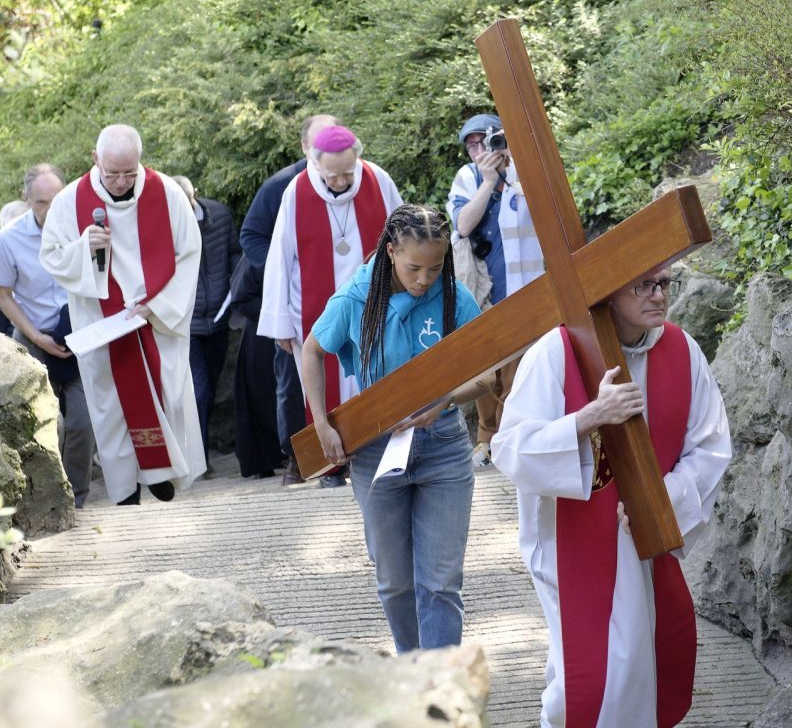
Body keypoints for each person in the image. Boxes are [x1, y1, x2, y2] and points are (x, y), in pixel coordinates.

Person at [491, 267, 732, 728]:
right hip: (573, 542)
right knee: (589, 675)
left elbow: (711, 444)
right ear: (608, 291)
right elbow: (510, 448)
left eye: (665, 284)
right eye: (644, 285)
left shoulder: (683, 350)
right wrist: (590, 417)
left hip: (644, 535)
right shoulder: (555, 352)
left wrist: (662, 501)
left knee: (645, 662)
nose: (659, 296)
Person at [304, 204, 484, 652]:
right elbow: (311, 351)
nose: (424, 279)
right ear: (390, 252)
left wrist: (445, 399)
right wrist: (322, 423)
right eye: (413, 268)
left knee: (441, 581)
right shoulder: (355, 299)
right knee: (394, 580)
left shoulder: (455, 298)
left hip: (443, 445)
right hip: (375, 450)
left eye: (435, 267)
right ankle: (411, 670)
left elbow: (487, 375)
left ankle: (442, 687)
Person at [39, 124, 206, 505]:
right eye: (111, 172)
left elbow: (189, 253)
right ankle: (126, 489)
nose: (119, 181)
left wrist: (156, 305)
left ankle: (162, 473)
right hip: (101, 321)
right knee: (112, 407)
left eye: (129, 172)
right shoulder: (68, 201)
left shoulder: (167, 193)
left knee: (169, 396)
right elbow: (50, 256)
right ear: (95, 159)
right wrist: (85, 247)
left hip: (156, 317)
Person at [258, 124, 402, 488]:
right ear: (316, 164)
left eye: (347, 173)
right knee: (323, 387)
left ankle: (378, 454)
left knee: (373, 378)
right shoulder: (296, 191)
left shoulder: (378, 180)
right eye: (333, 175)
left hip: (373, 306)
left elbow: (402, 236)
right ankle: (333, 465)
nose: (341, 182)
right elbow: (279, 258)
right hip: (314, 311)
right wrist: (280, 325)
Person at [235, 114, 339, 483]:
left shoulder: (362, 179)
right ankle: (300, 457)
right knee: (293, 384)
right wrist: (285, 274)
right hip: (300, 300)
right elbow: (252, 237)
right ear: (304, 148)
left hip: (346, 298)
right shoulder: (283, 186)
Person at [0, 164, 97, 507]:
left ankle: (78, 497)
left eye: (56, 199)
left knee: (83, 421)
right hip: (33, 336)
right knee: (50, 424)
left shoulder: (86, 229)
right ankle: (49, 497)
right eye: (40, 202)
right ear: (26, 199)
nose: (49, 209)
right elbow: (1, 292)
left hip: (81, 333)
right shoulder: (10, 239)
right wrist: (34, 335)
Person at [448, 113, 544, 468]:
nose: (480, 150)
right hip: (486, 288)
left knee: (520, 368)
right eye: (471, 145)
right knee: (489, 372)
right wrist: (488, 181)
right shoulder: (468, 177)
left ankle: (508, 438)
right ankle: (486, 439)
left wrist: (512, 166)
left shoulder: (525, 170)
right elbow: (461, 224)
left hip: (528, 285)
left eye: (486, 142)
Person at [173, 174, 240, 472]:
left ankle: (199, 452)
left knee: (211, 387)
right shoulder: (162, 223)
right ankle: (198, 460)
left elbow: (236, 254)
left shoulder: (219, 216)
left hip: (219, 317)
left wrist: (234, 290)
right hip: (185, 322)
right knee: (198, 388)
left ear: (194, 195)